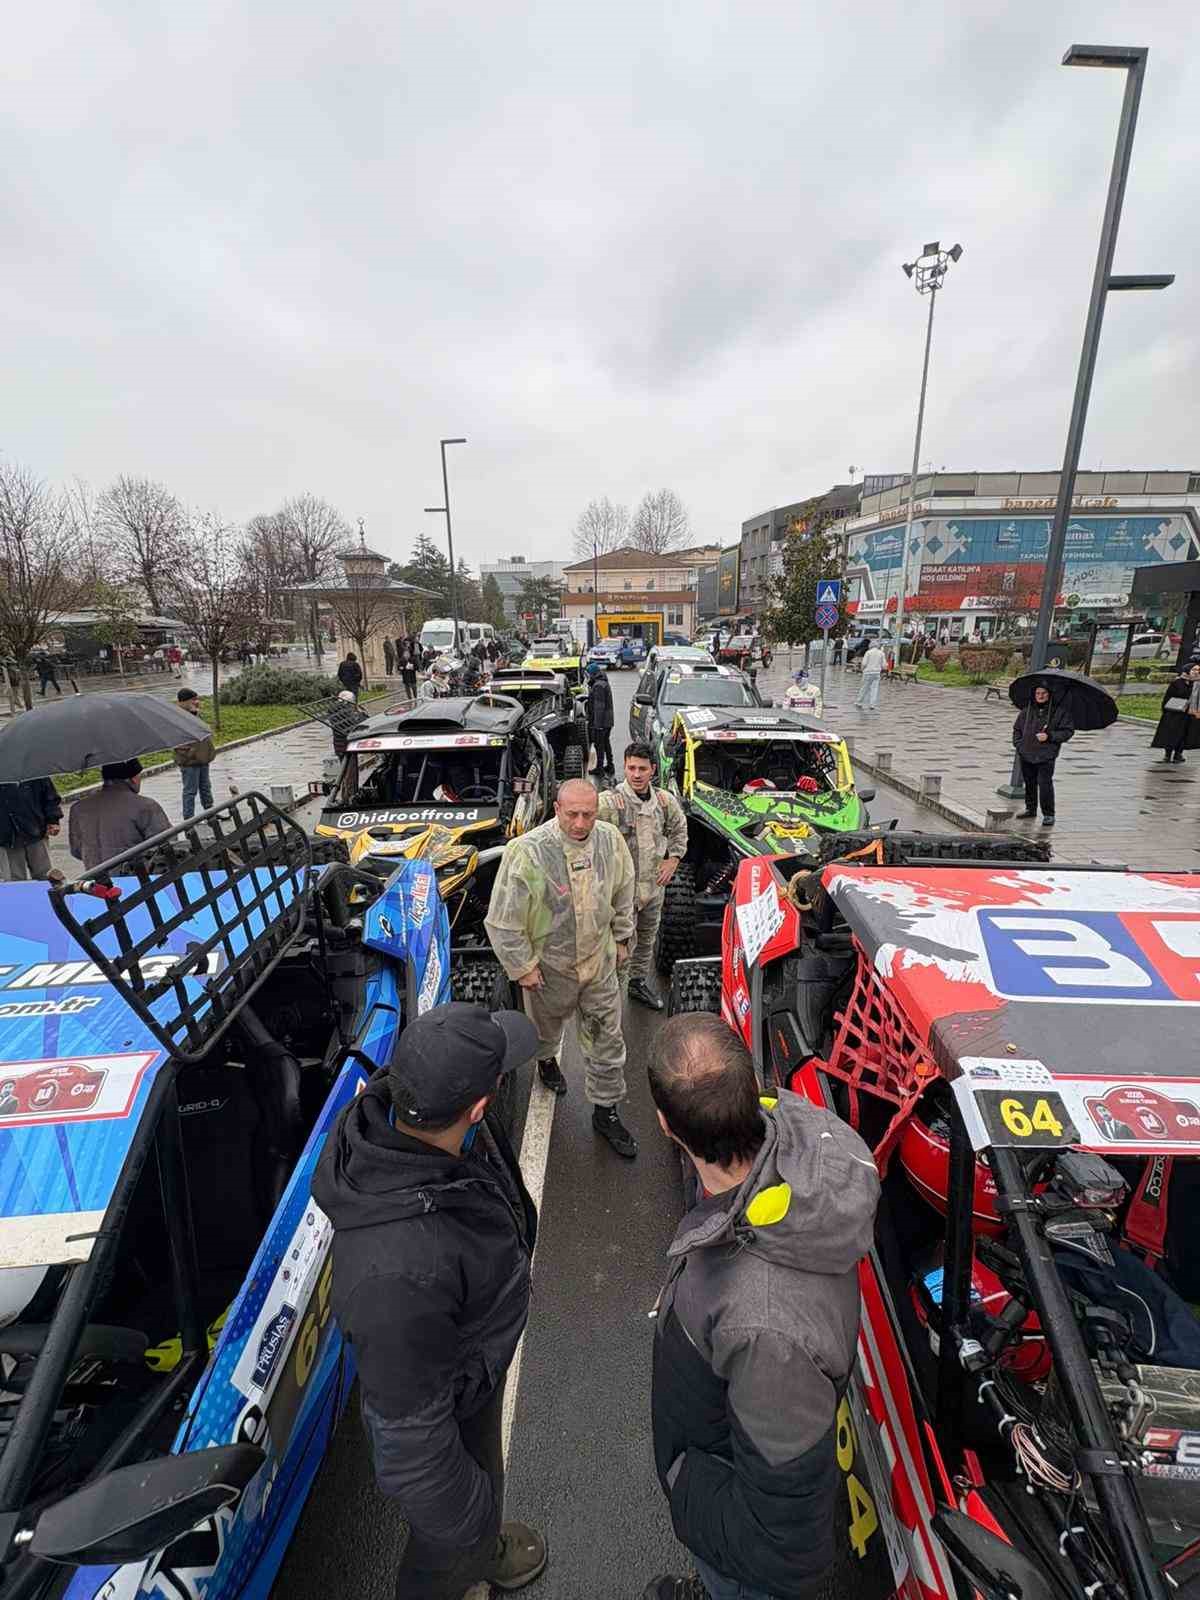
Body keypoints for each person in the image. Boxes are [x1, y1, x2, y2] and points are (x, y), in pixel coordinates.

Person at [313, 1002, 547, 1600]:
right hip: (444, 1394)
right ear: (476, 1106)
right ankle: (466, 1560)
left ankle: (482, 1543)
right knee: (447, 1545)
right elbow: (413, 1451)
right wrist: (467, 1522)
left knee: (484, 1473)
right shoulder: (394, 1278)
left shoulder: (432, 1127)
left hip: (472, 1367)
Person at [642, 1013, 880, 1600]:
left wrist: (692, 1496)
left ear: (666, 1126)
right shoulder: (793, 1132)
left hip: (742, 1546)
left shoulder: (764, 1327)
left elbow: (784, 1538)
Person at [485, 778, 638, 1157]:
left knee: (608, 1037)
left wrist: (621, 939)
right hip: (549, 968)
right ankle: (547, 1061)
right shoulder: (528, 852)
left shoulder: (609, 841)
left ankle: (607, 1110)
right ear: (556, 809)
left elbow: (624, 891)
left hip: (597, 962)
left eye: (589, 814)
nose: (581, 823)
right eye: (573, 814)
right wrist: (522, 967)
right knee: (545, 1028)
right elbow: (505, 918)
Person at [597, 742, 687, 1011]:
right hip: (620, 895)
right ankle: (611, 996)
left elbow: (679, 829)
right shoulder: (610, 803)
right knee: (618, 946)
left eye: (642, 769)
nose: (636, 774)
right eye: (631, 768)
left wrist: (674, 858)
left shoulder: (664, 801)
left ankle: (636, 983)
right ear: (624, 767)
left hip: (652, 889)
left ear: (653, 770)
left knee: (647, 938)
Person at [68, 760, 171, 870]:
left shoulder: (78, 808)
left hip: (95, 879)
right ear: (133, 779)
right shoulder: (145, 806)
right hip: (136, 878)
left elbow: (76, 850)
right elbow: (166, 846)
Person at [1012, 679, 1075, 828]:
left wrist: (1050, 736)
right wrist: (1019, 744)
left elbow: (1067, 732)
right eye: (1037, 693)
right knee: (1030, 783)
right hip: (1027, 754)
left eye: (1043, 693)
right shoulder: (1027, 711)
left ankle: (1048, 814)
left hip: (1046, 755)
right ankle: (1030, 808)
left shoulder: (1059, 712)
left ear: (1049, 695)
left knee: (1045, 784)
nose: (1040, 696)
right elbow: (1017, 729)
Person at [0, 779, 63, 881]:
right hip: (7, 837)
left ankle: (49, 896)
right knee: (15, 881)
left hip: (36, 831)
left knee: (46, 876)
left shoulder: (33, 771)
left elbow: (50, 797)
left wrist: (53, 820)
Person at [174, 687, 216, 820]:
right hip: (189, 760)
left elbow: (205, 730)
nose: (196, 702)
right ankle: (188, 819)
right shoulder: (177, 716)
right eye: (193, 700)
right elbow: (176, 739)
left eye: (196, 699)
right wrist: (190, 753)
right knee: (190, 790)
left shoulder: (195, 713)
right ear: (184, 701)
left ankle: (210, 813)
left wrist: (196, 714)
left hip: (202, 757)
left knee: (205, 787)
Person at [1150, 658, 1200, 764]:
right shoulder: (1177, 682)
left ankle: (1178, 754)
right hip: (1175, 714)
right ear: (1187, 671)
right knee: (1171, 735)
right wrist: (1165, 711)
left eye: (1198, 670)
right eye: (1194, 670)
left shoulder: (1198, 684)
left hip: (1190, 714)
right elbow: (1168, 697)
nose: (1196, 672)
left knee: (1184, 735)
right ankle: (1167, 755)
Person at [586, 660, 615, 777]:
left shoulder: (598, 686)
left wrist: (597, 725)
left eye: (588, 674)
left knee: (599, 744)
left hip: (601, 722)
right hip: (607, 721)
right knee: (606, 743)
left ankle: (600, 768)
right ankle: (610, 766)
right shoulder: (602, 682)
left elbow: (599, 707)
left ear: (592, 674)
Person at [854, 640, 886, 710]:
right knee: (874, 689)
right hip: (877, 673)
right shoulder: (881, 653)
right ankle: (872, 705)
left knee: (864, 688)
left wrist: (862, 670)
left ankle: (859, 702)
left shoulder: (868, 652)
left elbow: (864, 663)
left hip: (868, 672)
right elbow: (884, 666)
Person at [398, 636, 419, 700]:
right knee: (407, 690)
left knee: (414, 689)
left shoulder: (413, 659)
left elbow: (417, 667)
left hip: (412, 677)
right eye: (405, 654)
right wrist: (404, 667)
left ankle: (416, 698)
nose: (406, 655)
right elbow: (399, 667)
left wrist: (412, 667)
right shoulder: (401, 660)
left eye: (407, 653)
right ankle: (409, 700)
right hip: (406, 677)